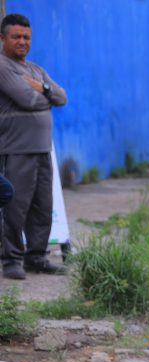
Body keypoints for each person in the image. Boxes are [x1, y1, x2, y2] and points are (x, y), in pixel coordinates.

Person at [0, 13, 68, 280]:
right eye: (16, 36)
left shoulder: (36, 70)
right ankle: (11, 259)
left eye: (26, 37)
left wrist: (45, 89)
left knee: (42, 206)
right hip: (16, 149)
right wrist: (46, 94)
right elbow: (28, 99)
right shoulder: (3, 66)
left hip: (42, 150)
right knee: (15, 207)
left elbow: (62, 97)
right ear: (2, 38)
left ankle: (37, 257)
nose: (22, 42)